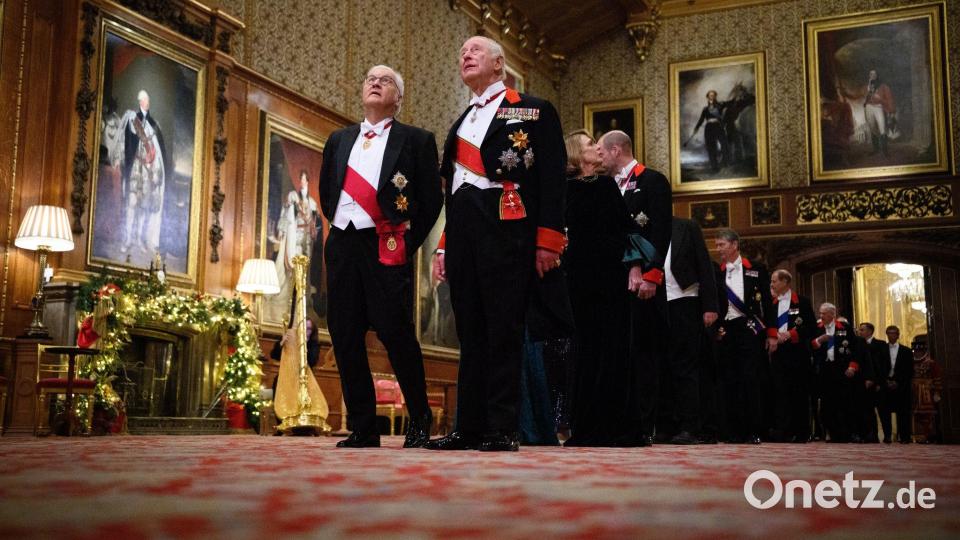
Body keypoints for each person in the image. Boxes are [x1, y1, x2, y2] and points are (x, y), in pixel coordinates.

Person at [426, 36, 566, 452]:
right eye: (461, 52)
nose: (464, 55)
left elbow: (553, 178)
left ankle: (502, 427)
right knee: (469, 331)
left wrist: (549, 240)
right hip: (465, 229)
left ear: (499, 64)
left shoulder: (534, 110)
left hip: (508, 225)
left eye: (474, 50)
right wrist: (444, 246)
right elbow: (455, 190)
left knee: (503, 327)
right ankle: (467, 427)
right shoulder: (462, 120)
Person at [318, 65, 442, 448]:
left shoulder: (417, 140)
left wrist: (406, 242)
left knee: (396, 332)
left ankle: (419, 421)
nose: (375, 82)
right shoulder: (339, 139)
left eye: (385, 80)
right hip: (343, 244)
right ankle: (363, 426)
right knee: (344, 333)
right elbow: (327, 191)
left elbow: (432, 199)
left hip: (387, 246)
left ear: (398, 98)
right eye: (370, 78)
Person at [597, 129, 671, 447]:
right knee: (617, 353)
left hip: (643, 283)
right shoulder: (605, 186)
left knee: (643, 354)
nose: (599, 157)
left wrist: (652, 274)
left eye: (602, 151)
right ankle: (618, 421)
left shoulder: (652, 180)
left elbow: (661, 230)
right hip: (613, 284)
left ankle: (645, 423)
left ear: (616, 150)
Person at [559, 129, 631, 447]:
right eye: (591, 145)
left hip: (607, 277)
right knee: (586, 350)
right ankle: (588, 425)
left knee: (608, 348)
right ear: (577, 154)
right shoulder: (569, 189)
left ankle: (608, 426)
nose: (598, 149)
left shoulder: (604, 184)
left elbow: (623, 230)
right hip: (581, 278)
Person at [713, 228, 777, 444]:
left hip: (750, 329)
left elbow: (767, 304)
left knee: (750, 380)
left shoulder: (756, 269)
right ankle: (731, 431)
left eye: (721, 244)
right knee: (729, 380)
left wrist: (772, 333)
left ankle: (753, 430)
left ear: (734, 245)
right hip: (726, 330)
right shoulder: (716, 272)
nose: (718, 248)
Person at [658, 217, 718, 444]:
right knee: (662, 365)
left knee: (686, 366)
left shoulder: (687, 226)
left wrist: (710, 306)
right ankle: (665, 425)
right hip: (658, 302)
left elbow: (704, 265)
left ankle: (689, 426)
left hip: (686, 300)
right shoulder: (647, 226)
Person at [118, 89, 169, 256]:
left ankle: (139, 238)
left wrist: (156, 172)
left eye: (149, 100)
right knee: (131, 204)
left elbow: (158, 153)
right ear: (141, 102)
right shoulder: (133, 119)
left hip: (147, 171)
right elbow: (127, 145)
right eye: (146, 100)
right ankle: (127, 239)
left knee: (143, 207)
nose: (148, 103)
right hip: (135, 169)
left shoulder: (154, 124)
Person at [768, 270, 815, 443]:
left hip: (797, 354)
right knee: (780, 392)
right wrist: (772, 336)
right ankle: (782, 431)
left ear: (785, 282)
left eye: (774, 281)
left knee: (799, 393)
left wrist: (790, 335)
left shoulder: (802, 302)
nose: (771, 284)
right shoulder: (771, 303)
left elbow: (811, 327)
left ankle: (801, 432)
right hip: (777, 353)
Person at [810, 303, 865, 442]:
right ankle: (830, 432)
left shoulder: (845, 328)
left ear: (832, 314)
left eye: (824, 313)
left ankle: (848, 433)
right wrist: (818, 340)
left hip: (842, 369)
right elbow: (808, 346)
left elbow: (855, 349)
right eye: (820, 313)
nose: (821, 316)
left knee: (845, 402)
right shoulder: (817, 328)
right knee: (827, 404)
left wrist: (852, 366)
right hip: (824, 370)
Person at [877, 325, 913, 443]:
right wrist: (885, 381)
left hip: (901, 386)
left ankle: (904, 437)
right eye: (889, 333)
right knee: (885, 412)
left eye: (894, 333)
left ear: (898, 335)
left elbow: (909, 370)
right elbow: (879, 368)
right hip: (885, 385)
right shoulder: (881, 350)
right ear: (886, 335)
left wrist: (897, 382)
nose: (891, 335)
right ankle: (887, 436)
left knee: (903, 412)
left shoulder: (906, 351)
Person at [857, 322, 887, 443]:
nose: (860, 332)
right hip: (862, 382)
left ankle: (885, 435)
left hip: (877, 383)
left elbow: (883, 365)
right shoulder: (858, 344)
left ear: (870, 331)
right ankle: (868, 434)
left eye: (862, 330)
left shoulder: (880, 344)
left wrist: (878, 382)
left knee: (881, 411)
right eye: (859, 330)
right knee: (865, 410)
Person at [688, 90, 727, 173]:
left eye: (713, 95)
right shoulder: (705, 109)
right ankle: (714, 167)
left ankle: (725, 163)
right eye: (710, 95)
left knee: (724, 144)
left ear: (715, 96)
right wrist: (696, 128)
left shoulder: (720, 106)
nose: (711, 96)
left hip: (718, 127)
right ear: (707, 97)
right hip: (709, 128)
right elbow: (701, 120)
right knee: (711, 148)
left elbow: (728, 104)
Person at [863, 69, 896, 157]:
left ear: (877, 75)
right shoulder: (868, 85)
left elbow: (889, 99)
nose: (872, 75)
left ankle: (885, 151)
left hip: (878, 107)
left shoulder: (883, 86)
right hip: (869, 107)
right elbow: (866, 97)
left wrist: (891, 111)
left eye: (874, 74)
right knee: (872, 127)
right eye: (871, 74)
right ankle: (876, 149)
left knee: (882, 128)